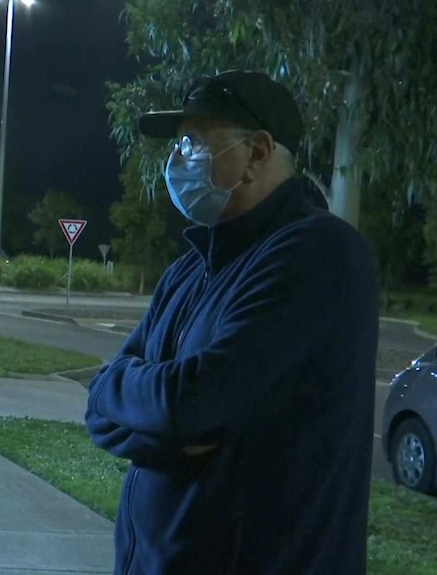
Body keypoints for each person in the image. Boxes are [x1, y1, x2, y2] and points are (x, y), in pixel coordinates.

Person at [84, 70, 379, 574]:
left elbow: (191, 404)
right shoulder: (189, 269)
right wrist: (160, 422)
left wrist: (152, 407)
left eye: (195, 142)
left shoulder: (318, 254)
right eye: (178, 144)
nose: (178, 160)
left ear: (258, 153)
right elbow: (99, 408)